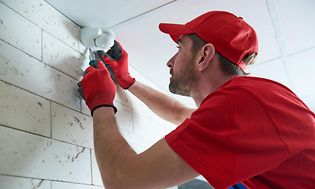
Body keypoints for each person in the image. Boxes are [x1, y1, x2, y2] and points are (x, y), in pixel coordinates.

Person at [78, 11, 315, 189]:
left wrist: (101, 103)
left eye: (179, 47)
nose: (170, 61)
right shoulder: (252, 100)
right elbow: (180, 114)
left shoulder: (242, 102)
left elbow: (124, 181)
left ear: (204, 56)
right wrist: (127, 80)